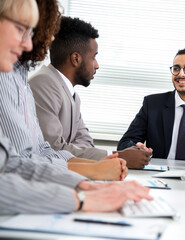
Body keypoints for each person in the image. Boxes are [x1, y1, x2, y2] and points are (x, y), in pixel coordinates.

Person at [0, 0, 152, 215]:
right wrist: (82, 194)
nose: (49, 38)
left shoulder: (24, 79)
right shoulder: (37, 82)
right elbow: (33, 155)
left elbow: (28, 156)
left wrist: (84, 183)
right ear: (76, 58)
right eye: (21, 29)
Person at [29, 16, 152, 169]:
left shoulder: (70, 93)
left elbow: (86, 142)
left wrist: (71, 148)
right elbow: (52, 149)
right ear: (76, 59)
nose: (97, 65)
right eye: (93, 57)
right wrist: (117, 156)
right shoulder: (43, 84)